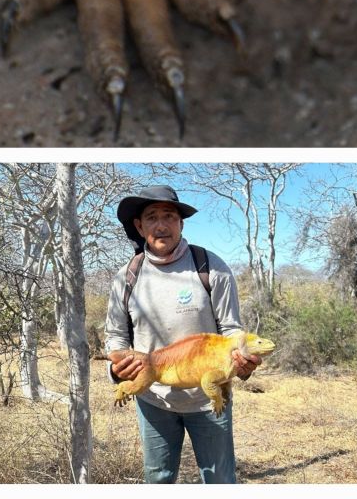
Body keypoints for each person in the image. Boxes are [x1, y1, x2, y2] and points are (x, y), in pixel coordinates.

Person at [105, 185, 262, 484]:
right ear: (139, 226)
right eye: (152, 217)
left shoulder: (211, 268)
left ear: (181, 223)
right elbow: (115, 336)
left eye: (169, 216)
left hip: (208, 398)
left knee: (220, 480)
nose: (161, 225)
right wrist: (116, 369)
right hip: (153, 400)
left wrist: (243, 360)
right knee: (159, 479)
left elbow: (231, 330)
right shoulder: (126, 276)